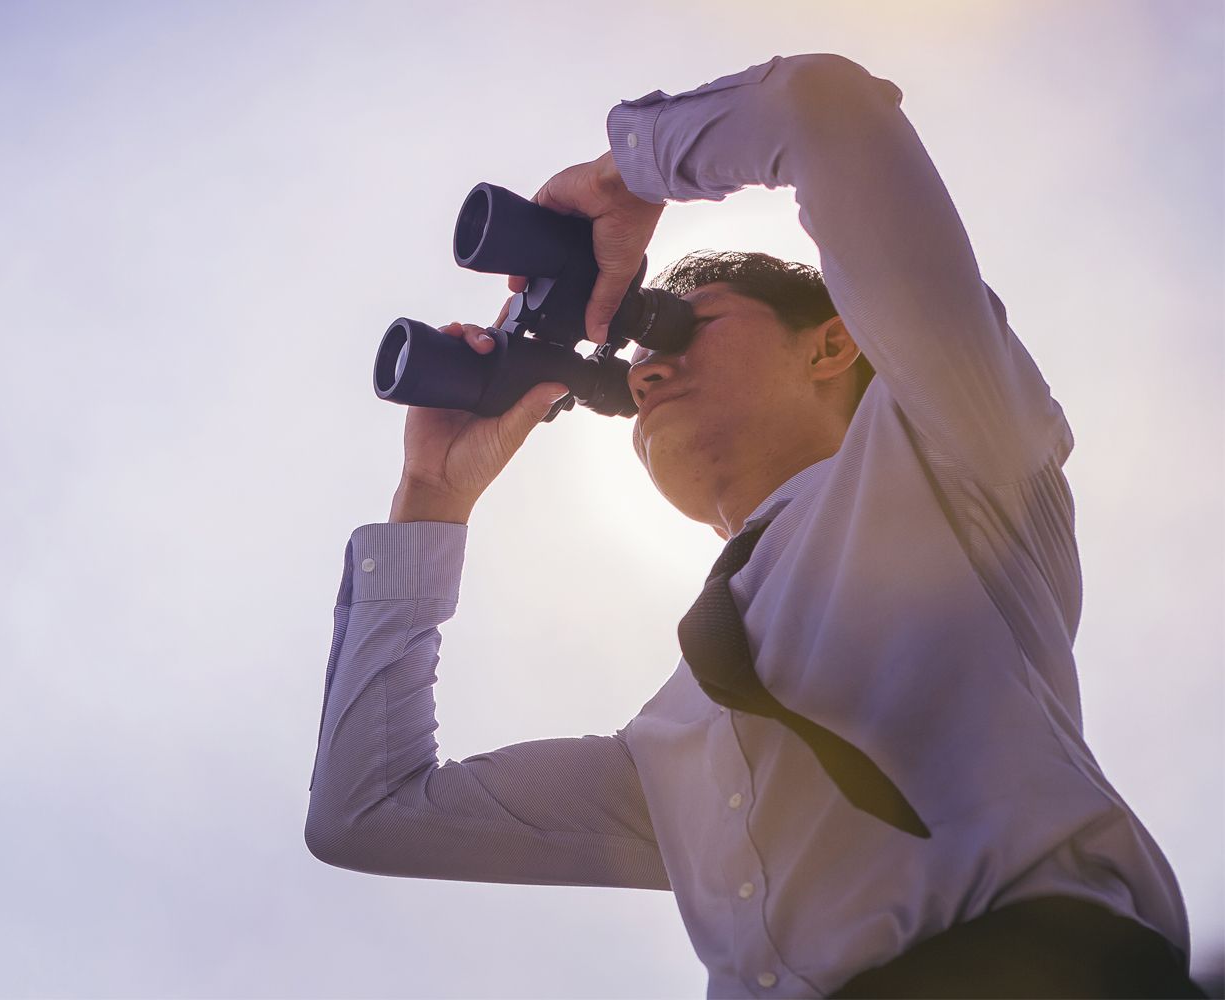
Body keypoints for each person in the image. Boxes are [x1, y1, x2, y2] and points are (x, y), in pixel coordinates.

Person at [303, 53, 1202, 998]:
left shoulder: (955, 445)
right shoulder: (678, 746)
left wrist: (625, 177)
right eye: (631, 365)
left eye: (683, 327)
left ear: (833, 341)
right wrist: (430, 502)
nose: (643, 374)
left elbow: (827, 110)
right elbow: (367, 813)